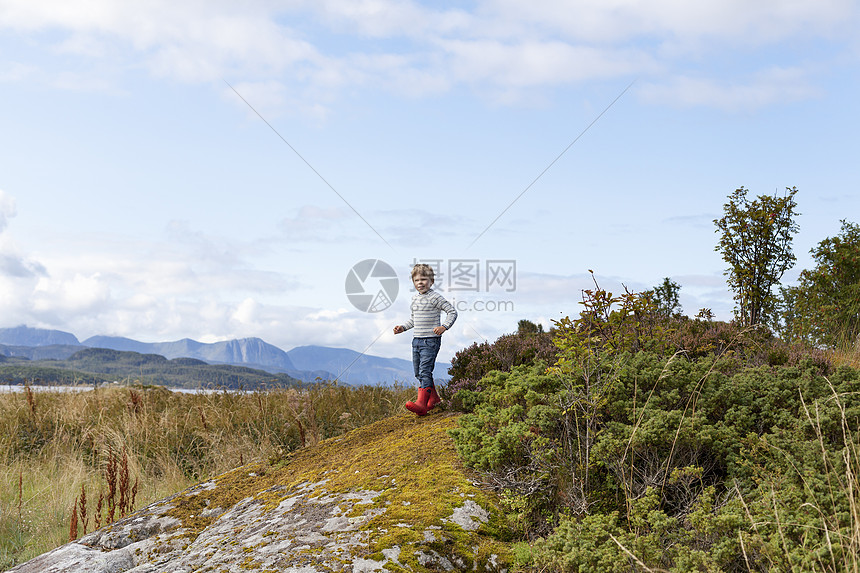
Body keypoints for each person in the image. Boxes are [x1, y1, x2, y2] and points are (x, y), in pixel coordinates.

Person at [393, 263, 457, 416]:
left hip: (431, 340)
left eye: (424, 279)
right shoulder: (415, 299)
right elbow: (414, 320)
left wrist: (444, 327)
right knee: (418, 373)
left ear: (431, 281)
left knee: (425, 371)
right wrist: (403, 328)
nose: (420, 283)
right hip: (416, 341)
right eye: (416, 280)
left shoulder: (435, 297)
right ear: (413, 283)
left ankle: (422, 404)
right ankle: (434, 399)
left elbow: (452, 312)